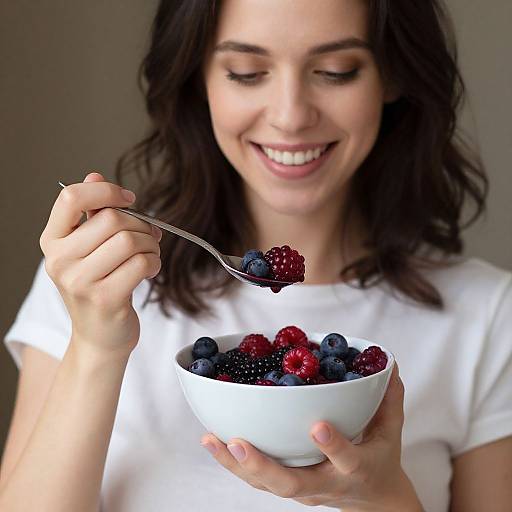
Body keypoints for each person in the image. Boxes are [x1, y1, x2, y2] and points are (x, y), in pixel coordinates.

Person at [1, 0, 511, 510]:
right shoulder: (95, 286)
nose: (291, 116)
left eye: (336, 71)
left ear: (392, 76)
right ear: (199, 79)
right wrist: (96, 348)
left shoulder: (488, 316)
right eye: (247, 73)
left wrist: (382, 496)